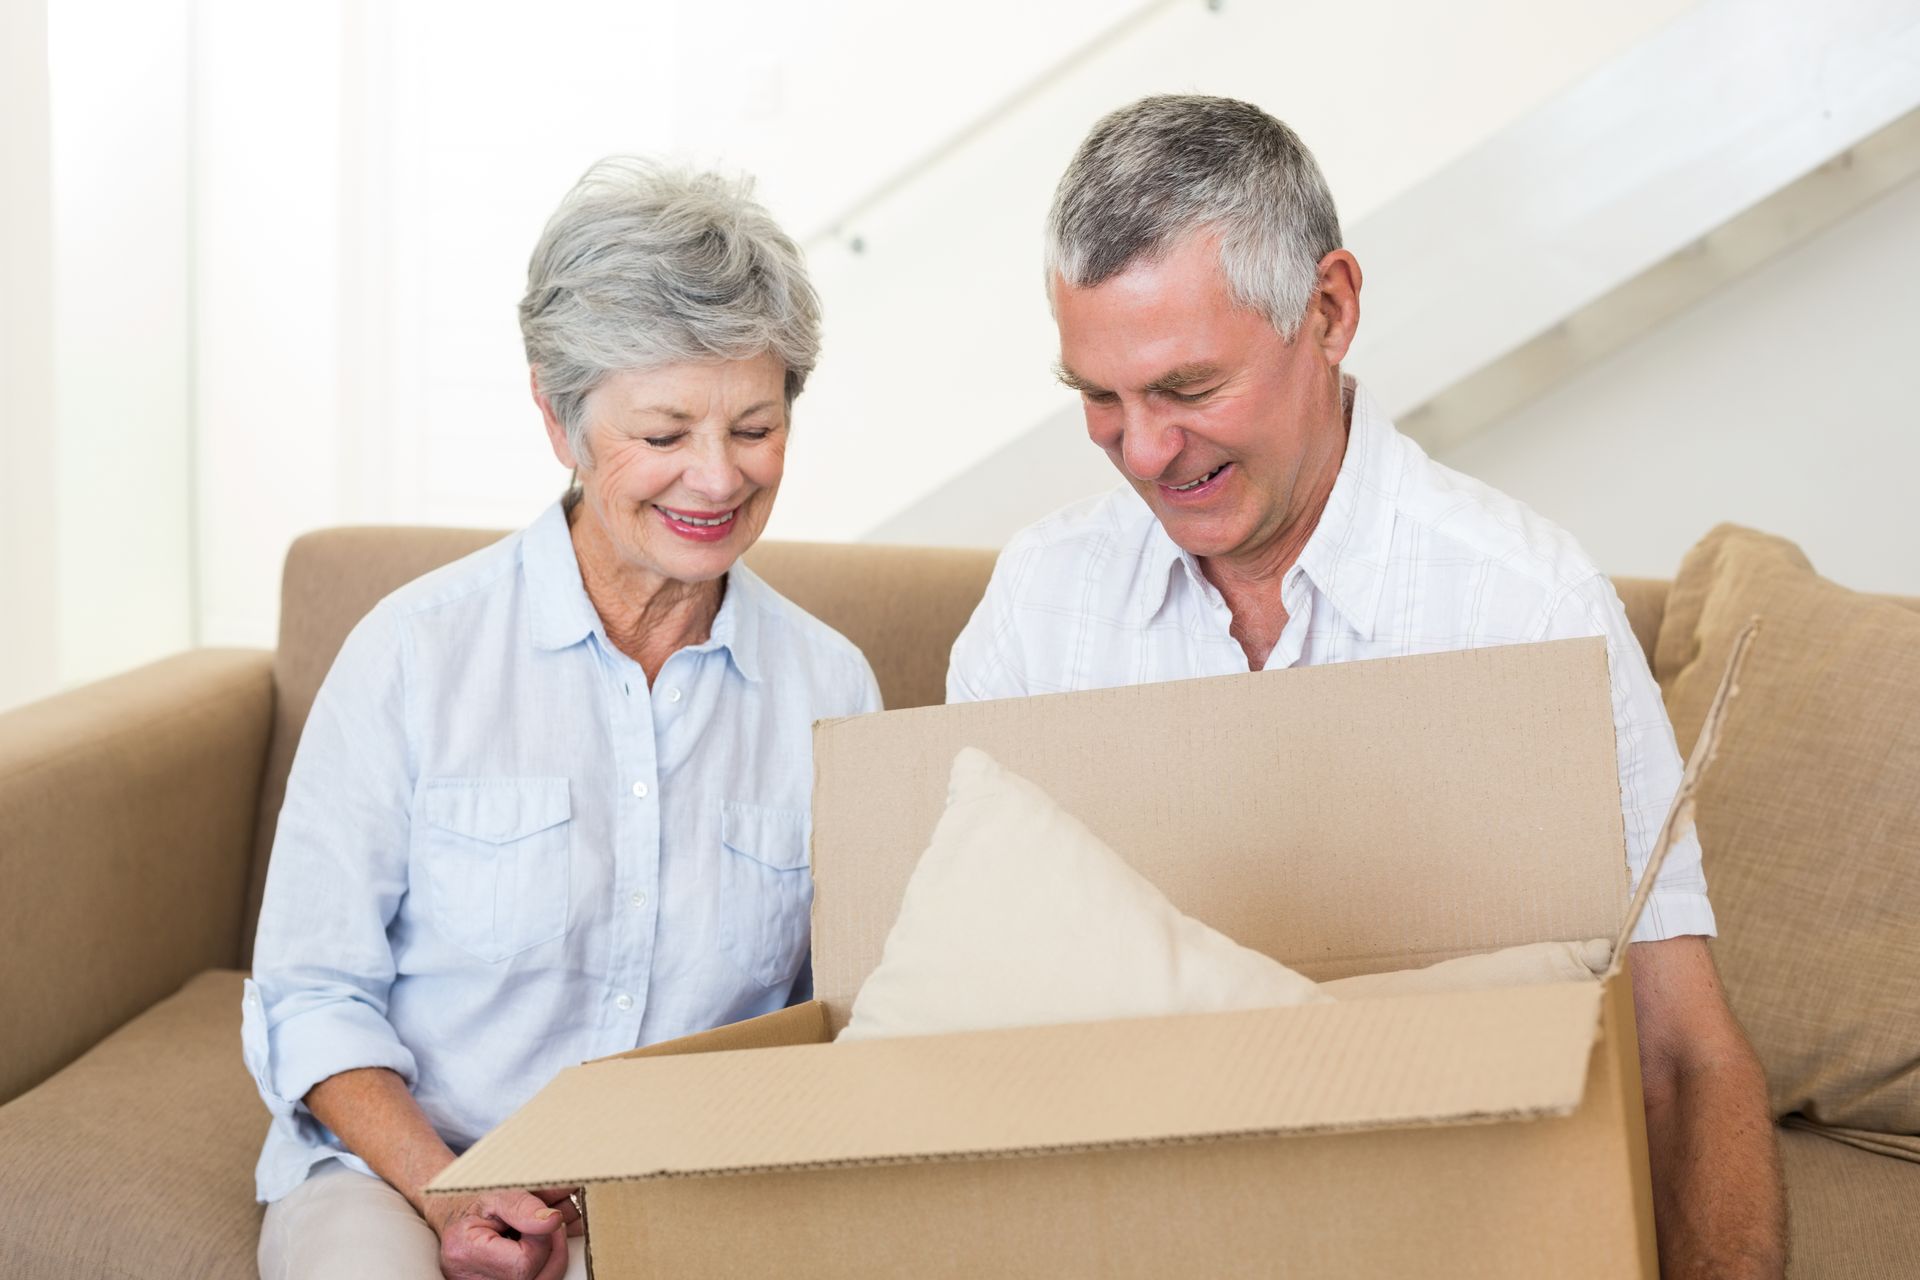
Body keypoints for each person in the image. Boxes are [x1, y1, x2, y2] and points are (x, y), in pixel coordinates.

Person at [948, 95, 1785, 1278]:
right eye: (1099, 396)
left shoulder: (1523, 607)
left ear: (1328, 310)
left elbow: (1683, 1052)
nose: (1142, 450)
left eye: (1187, 389)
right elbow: (954, 1041)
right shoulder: (1039, 608)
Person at [244, 158, 881, 1280]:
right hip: (408, 1172)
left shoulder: (832, 688)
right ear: (558, 416)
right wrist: (451, 1190)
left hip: (685, 1188)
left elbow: (843, 1016)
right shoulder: (414, 653)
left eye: (754, 425)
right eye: (666, 429)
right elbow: (312, 992)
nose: (716, 477)